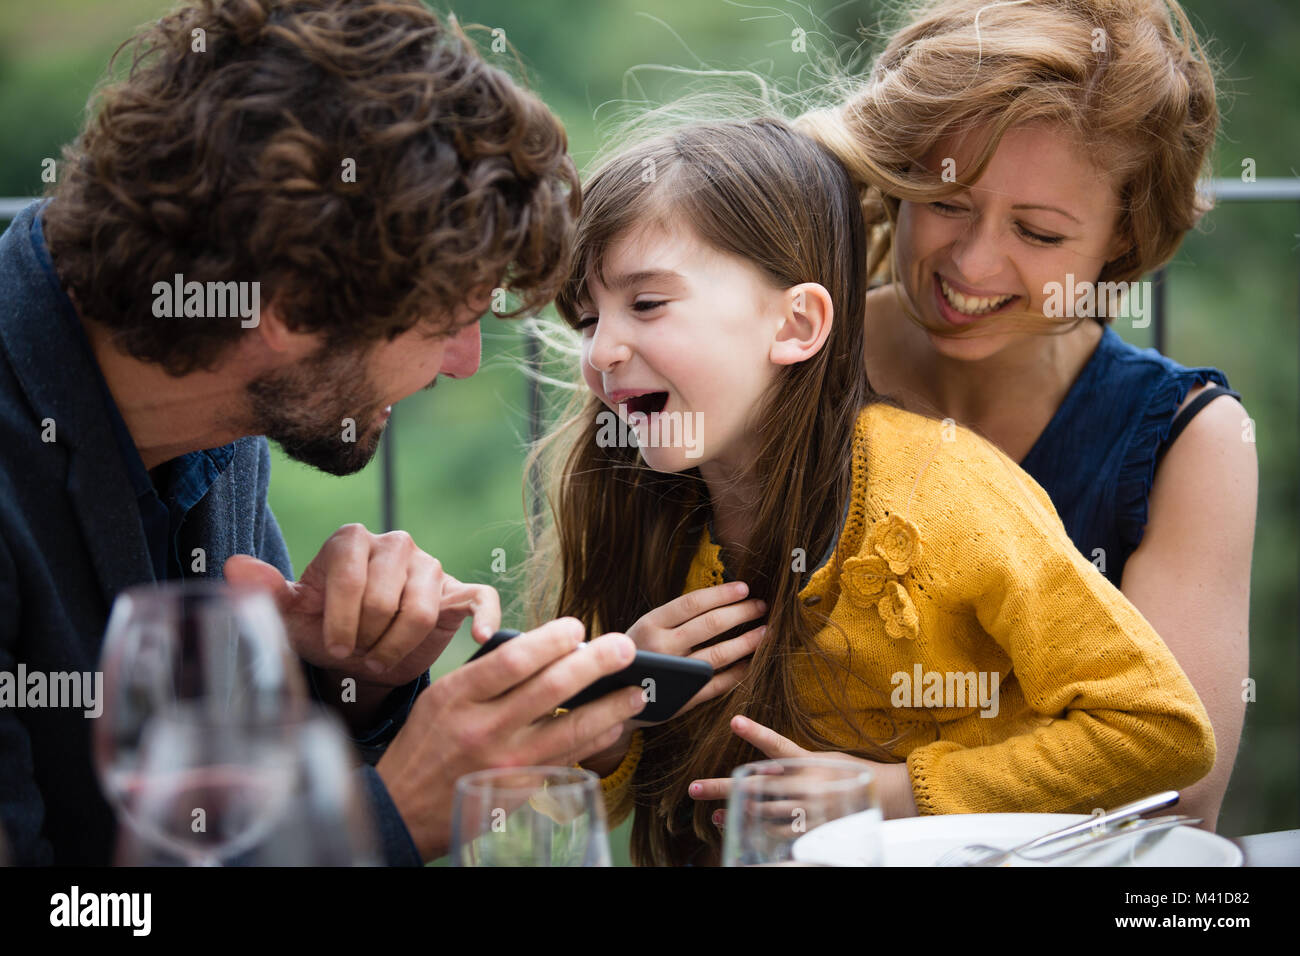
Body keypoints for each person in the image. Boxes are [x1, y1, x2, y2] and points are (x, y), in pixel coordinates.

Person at [0, 0, 649, 866]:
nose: (461, 363)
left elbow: (198, 831)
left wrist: (348, 684)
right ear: (291, 308)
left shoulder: (209, 397)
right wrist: (393, 816)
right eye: (446, 322)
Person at [529, 115, 1215, 867]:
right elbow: (569, 802)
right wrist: (620, 704)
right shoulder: (638, 506)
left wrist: (893, 794)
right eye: (588, 317)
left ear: (796, 323)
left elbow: (1161, 731)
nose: (601, 351)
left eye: (647, 304)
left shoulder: (945, 492)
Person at [796, 0, 1256, 830]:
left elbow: (1176, 799)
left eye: (1040, 234)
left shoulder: (1192, 439)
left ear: (1121, 240)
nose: (972, 263)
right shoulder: (802, 361)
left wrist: (893, 796)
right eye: (946, 203)